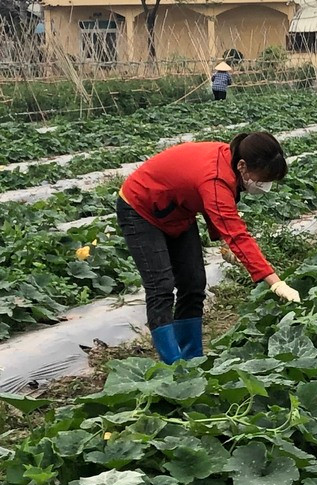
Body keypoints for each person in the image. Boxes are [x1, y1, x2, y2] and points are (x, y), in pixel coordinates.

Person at [117, 132, 302, 364]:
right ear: (243, 165)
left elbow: (215, 209)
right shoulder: (215, 177)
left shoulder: (230, 161)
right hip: (140, 208)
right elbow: (236, 233)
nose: (264, 185)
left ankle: (193, 359)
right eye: (262, 177)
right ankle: (173, 366)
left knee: (193, 283)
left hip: (177, 211)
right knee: (161, 286)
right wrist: (275, 283)